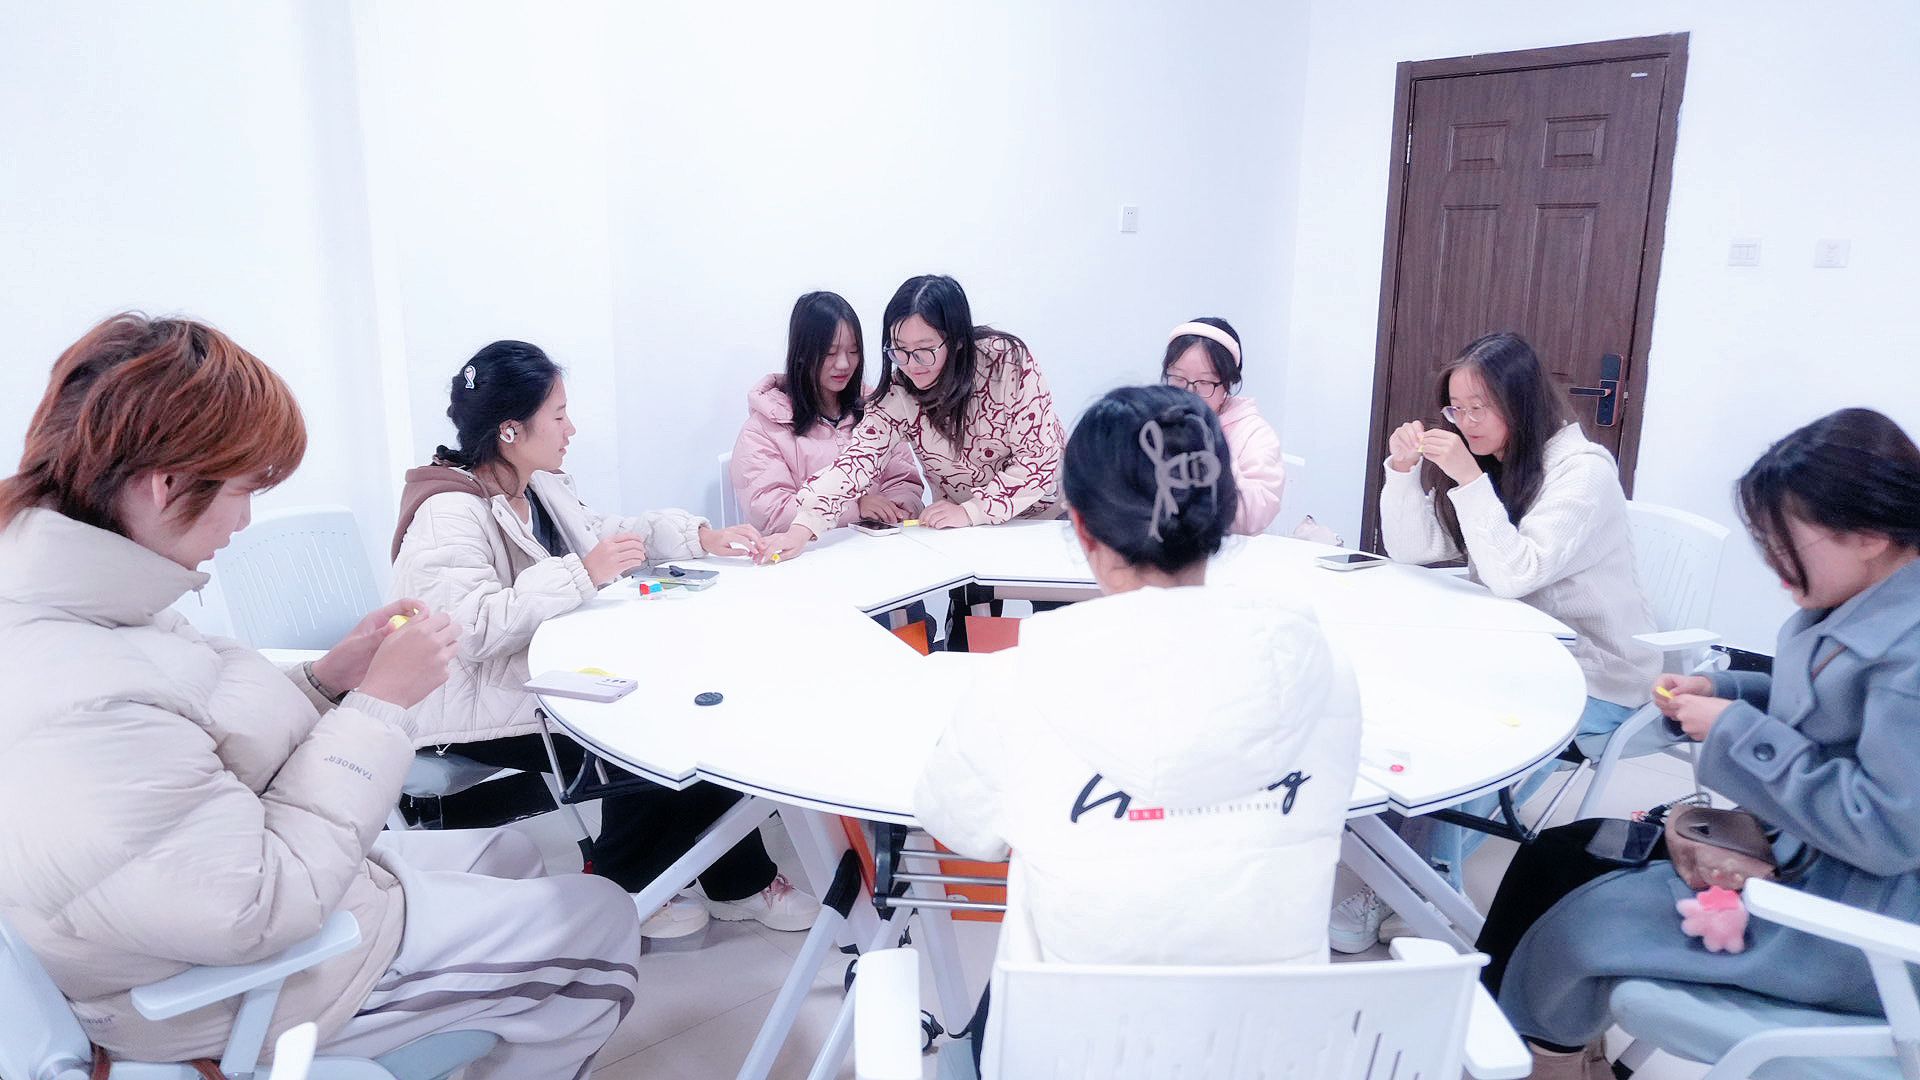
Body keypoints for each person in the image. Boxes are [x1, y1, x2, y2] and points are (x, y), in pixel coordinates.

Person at [0, 313, 639, 1077]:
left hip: (231, 907)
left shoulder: (88, 599)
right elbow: (254, 908)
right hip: (241, 993)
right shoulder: (83, 690)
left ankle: (481, 1014)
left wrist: (330, 678)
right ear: (165, 485)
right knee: (603, 918)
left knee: (510, 852)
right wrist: (378, 706)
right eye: (245, 489)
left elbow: (195, 738)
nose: (246, 520)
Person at [914, 384, 1362, 1060]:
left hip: (1072, 1052)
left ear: (1081, 527)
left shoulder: (1016, 685)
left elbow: (958, 825)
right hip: (1266, 1052)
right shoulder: (1324, 675)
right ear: (1221, 515)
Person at [1479, 407, 1920, 1078]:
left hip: (1850, 921)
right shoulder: (1866, 604)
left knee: (1575, 913)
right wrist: (1727, 692)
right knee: (1558, 856)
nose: (1773, 563)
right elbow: (1828, 713)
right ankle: (1521, 1045)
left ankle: (1537, 1058)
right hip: (1802, 858)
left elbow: (1883, 828)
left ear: (1869, 536)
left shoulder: (1909, 652)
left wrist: (1735, 730)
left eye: (1786, 542)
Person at [390, 340, 818, 940]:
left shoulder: (537, 484)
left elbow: (605, 533)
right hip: (472, 707)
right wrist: (580, 574)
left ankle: (727, 882)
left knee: (695, 695)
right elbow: (467, 629)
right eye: (559, 415)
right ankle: (630, 884)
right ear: (511, 429)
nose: (571, 429)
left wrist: (700, 537)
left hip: (542, 678)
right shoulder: (448, 512)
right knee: (644, 721)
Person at [1331, 332, 1661, 952]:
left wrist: (1466, 477)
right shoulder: (1501, 461)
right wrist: (1402, 475)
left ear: (1522, 400)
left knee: (1472, 732)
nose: (1466, 421)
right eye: (1456, 408)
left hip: (1596, 673)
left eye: (1479, 406)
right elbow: (1416, 552)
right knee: (1422, 697)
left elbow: (1513, 573)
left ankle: (1427, 882)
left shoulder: (1584, 472)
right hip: (1516, 653)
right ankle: (1401, 858)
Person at [759, 274, 1066, 560]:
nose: (911, 364)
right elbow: (857, 461)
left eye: (924, 350)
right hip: (967, 530)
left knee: (1048, 597)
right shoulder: (900, 393)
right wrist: (803, 528)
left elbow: (1038, 459)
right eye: (900, 350)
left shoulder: (1006, 363)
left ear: (957, 340)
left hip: (1045, 518)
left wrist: (972, 510)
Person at [731, 290, 925, 532]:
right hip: (811, 551)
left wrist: (899, 506)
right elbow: (773, 514)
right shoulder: (763, 430)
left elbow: (904, 480)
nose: (844, 364)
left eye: (853, 351)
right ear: (802, 354)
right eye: (830, 353)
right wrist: (856, 508)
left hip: (880, 546)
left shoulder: (878, 410)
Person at [1161, 317, 1286, 534]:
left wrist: (1212, 449)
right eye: (1178, 378)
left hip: (1223, 548)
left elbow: (1256, 515)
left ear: (1227, 384)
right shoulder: (1155, 420)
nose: (1189, 392)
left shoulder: (1253, 433)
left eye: (1204, 382)